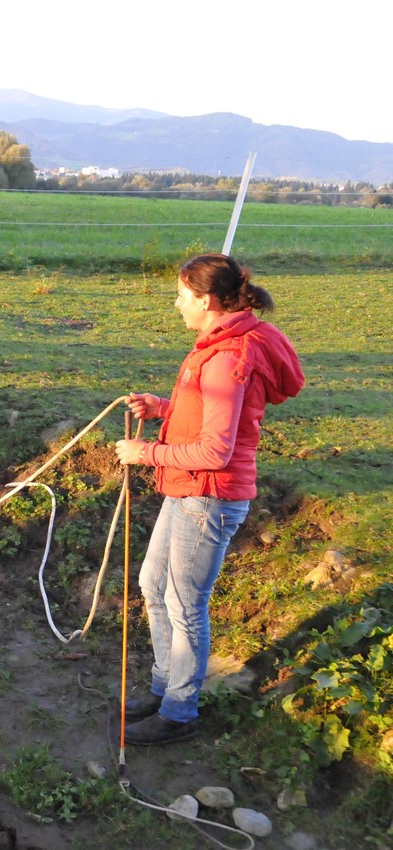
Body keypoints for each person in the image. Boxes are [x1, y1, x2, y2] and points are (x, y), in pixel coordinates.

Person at [113, 253, 304, 746]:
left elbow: (217, 450)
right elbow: (210, 411)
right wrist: (161, 408)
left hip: (208, 495)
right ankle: (164, 686)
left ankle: (180, 711)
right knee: (153, 583)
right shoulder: (221, 344)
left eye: (181, 296)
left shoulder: (225, 357)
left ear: (205, 300)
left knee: (184, 602)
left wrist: (145, 452)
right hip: (188, 486)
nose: (177, 304)